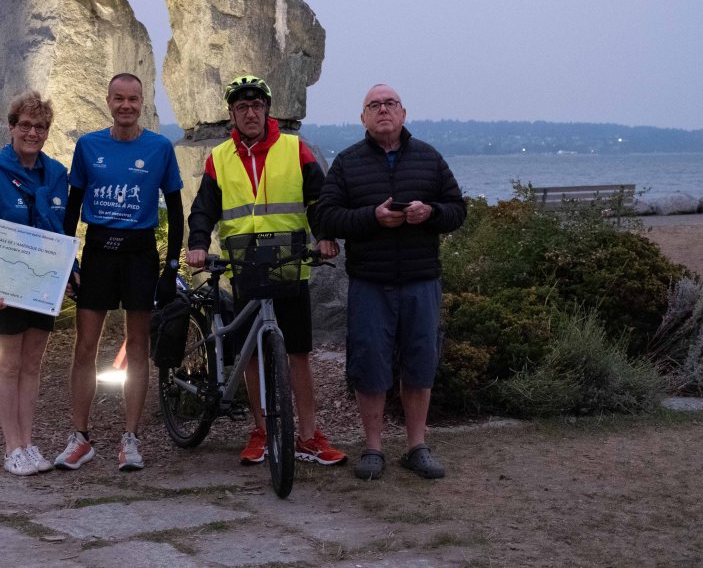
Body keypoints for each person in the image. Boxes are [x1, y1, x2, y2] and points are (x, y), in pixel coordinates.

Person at [187, 74, 347, 468]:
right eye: (242, 106)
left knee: (299, 353)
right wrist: (198, 244)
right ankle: (260, 430)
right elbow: (203, 208)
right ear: (232, 114)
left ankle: (308, 436)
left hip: (289, 264)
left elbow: (319, 199)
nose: (250, 112)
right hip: (245, 266)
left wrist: (325, 236)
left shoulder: (294, 148)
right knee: (252, 354)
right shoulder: (219, 157)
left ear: (267, 110)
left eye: (257, 105)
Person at [313, 83, 466, 481]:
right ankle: (373, 448)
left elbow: (457, 210)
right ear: (362, 117)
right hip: (370, 281)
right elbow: (326, 216)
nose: (383, 110)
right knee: (370, 365)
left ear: (403, 113)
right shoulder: (347, 163)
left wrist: (430, 212)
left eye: (390, 103)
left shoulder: (429, 158)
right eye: (374, 105)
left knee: (420, 364)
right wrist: (372, 217)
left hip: (421, 280)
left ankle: (417, 446)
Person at [56, 73, 184, 472]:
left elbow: (176, 210)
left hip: (139, 254)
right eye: (119, 98)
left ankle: (131, 437)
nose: (126, 105)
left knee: (138, 345)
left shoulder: (159, 147)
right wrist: (68, 262)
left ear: (142, 102)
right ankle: (80, 437)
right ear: (108, 101)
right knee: (84, 346)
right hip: (98, 252)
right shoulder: (88, 146)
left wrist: (172, 266)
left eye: (133, 99)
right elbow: (72, 209)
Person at [0, 90, 70, 476]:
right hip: (4, 285)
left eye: (40, 127)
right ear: (12, 128)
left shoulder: (57, 174)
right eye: (26, 125)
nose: (33, 133)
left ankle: (29, 443)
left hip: (42, 283)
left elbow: (61, 231)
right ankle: (11, 447)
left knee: (32, 366)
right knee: (9, 365)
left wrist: (69, 271)